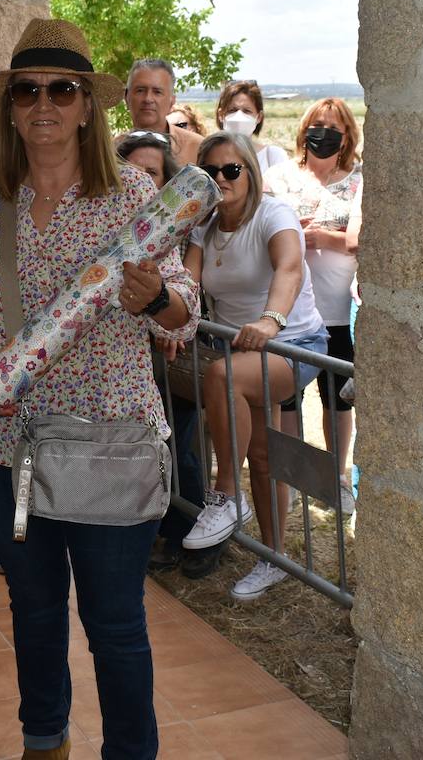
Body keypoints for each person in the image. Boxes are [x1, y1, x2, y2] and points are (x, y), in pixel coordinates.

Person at [0, 19, 198, 760]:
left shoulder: (132, 194)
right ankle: (44, 740)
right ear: (13, 106)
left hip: (107, 446)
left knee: (115, 622)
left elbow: (184, 317)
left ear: (87, 105)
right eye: (28, 90)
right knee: (32, 612)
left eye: (62, 90)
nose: (43, 105)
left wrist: (153, 297)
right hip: (5, 449)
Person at [179, 131, 328, 602]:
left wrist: (271, 319)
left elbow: (290, 267)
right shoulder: (204, 228)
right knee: (262, 456)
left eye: (232, 170)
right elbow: (187, 283)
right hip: (239, 350)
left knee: (222, 379)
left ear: (250, 171)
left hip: (291, 342)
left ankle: (225, 496)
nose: (222, 179)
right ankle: (275, 558)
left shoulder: (274, 213)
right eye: (211, 172)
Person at [113, 131, 223, 578]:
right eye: (131, 171)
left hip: (168, 357)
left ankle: (190, 533)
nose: (140, 181)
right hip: (129, 371)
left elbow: (182, 296)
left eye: (152, 173)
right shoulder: (109, 225)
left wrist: (169, 316)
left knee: (183, 449)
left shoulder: (172, 231)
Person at [264, 98, 362, 513]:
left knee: (336, 399)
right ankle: (292, 476)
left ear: (347, 136)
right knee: (286, 399)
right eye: (318, 124)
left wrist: (317, 238)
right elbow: (264, 227)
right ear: (304, 130)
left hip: (337, 309)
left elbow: (358, 239)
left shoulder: (359, 180)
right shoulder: (279, 177)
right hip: (292, 312)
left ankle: (335, 477)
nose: (325, 133)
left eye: (335, 126)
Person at [124, 58, 198, 166]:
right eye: (140, 90)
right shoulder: (110, 151)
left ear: (172, 101)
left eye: (157, 92)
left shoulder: (197, 148)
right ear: (126, 97)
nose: (148, 99)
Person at [214, 80, 289, 171]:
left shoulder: (274, 156)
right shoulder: (211, 156)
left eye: (246, 111)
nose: (239, 116)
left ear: (259, 117)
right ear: (221, 115)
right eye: (232, 110)